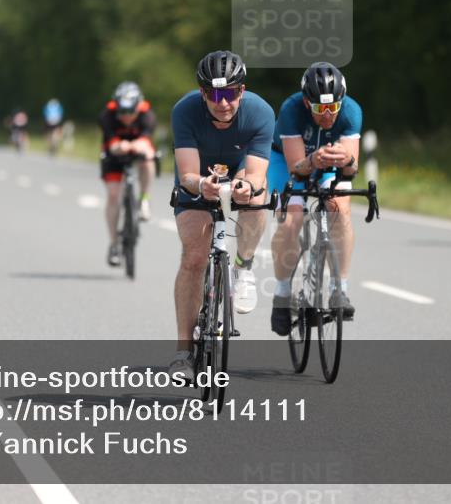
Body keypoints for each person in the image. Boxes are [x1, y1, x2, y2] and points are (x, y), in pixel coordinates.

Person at [167, 51, 274, 378]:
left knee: (257, 197)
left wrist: (245, 186)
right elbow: (186, 174)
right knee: (193, 258)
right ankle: (184, 353)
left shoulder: (260, 112)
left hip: (240, 169)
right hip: (199, 177)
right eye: (214, 94)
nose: (222, 102)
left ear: (241, 90)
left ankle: (243, 268)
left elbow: (256, 173)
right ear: (202, 93)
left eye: (229, 93)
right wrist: (201, 184)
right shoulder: (185, 111)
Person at [267, 62, 363, 336]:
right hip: (287, 161)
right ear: (308, 104)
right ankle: (282, 294)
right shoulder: (291, 109)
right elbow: (296, 167)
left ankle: (339, 289)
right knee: (291, 221)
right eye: (320, 109)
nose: (328, 115)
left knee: (340, 208)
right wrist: (312, 159)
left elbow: (351, 170)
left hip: (326, 165)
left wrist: (347, 160)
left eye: (333, 107)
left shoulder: (351, 111)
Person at [98, 82, 157, 266]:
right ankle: (114, 243)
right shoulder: (107, 116)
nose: (126, 117)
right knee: (114, 195)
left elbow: (146, 140)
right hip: (114, 153)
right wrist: (120, 146)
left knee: (148, 159)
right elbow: (113, 144)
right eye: (122, 112)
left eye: (130, 112)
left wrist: (139, 146)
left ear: (138, 107)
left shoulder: (148, 115)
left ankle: (144, 199)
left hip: (138, 149)